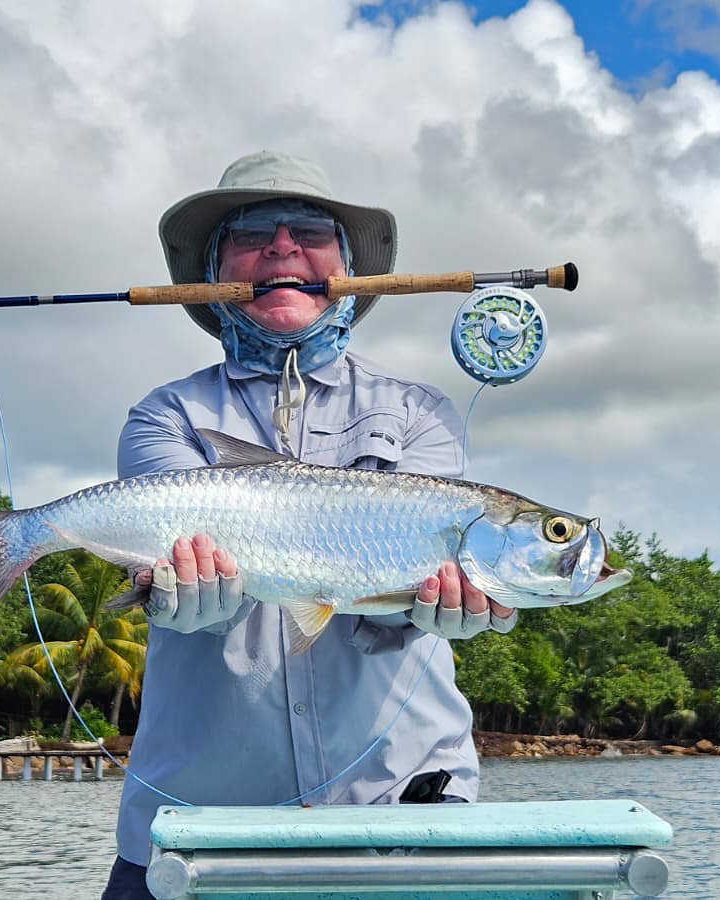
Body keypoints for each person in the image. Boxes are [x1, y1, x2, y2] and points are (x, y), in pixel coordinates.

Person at [101, 151, 516, 899]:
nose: (284, 247)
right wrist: (176, 600)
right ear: (216, 267)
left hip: (401, 812)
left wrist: (440, 609)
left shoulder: (422, 415)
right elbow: (164, 579)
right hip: (198, 825)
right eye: (252, 231)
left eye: (313, 232)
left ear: (350, 266)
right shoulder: (167, 417)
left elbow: (397, 607)